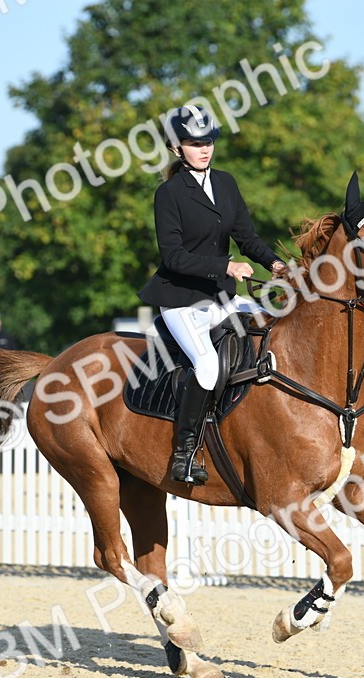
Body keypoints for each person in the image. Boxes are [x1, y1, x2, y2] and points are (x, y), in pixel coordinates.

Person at [138, 104, 286, 485]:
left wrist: (276, 265)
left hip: (221, 299)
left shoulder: (226, 183)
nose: (204, 149)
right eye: (193, 143)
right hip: (182, 300)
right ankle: (184, 453)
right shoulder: (169, 194)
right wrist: (226, 267)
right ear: (176, 149)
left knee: (274, 323)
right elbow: (173, 256)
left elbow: (246, 237)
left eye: (208, 142)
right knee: (206, 366)